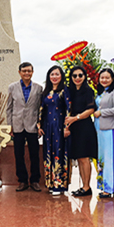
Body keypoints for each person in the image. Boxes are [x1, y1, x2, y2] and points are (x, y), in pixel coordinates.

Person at [7, 62, 43, 192]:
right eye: (24, 71)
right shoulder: (12, 87)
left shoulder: (39, 88)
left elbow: (41, 108)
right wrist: (10, 125)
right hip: (17, 126)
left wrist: (39, 123)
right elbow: (9, 107)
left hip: (32, 125)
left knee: (34, 154)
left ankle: (35, 181)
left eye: (29, 71)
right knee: (18, 154)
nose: (26, 73)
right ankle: (22, 181)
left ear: (32, 72)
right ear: (19, 72)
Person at [38, 65, 71, 196]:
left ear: (61, 76)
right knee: (48, 153)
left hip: (59, 127)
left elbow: (69, 109)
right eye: (52, 74)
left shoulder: (65, 91)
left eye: (57, 74)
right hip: (47, 127)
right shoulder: (46, 92)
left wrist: (67, 127)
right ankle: (50, 183)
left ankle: (59, 184)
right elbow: (41, 110)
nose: (54, 77)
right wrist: (39, 126)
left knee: (59, 152)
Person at [65, 66, 98, 197]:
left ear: (84, 76)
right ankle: (83, 186)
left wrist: (75, 118)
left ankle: (86, 186)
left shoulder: (88, 91)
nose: (77, 78)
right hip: (74, 128)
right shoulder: (70, 91)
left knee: (84, 158)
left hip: (84, 126)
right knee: (79, 157)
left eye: (80, 75)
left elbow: (91, 109)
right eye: (74, 76)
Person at [93, 68, 114, 199]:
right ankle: (103, 185)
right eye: (102, 77)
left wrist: (101, 112)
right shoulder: (101, 92)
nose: (104, 80)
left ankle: (110, 188)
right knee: (102, 159)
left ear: (112, 79)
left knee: (111, 159)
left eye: (107, 78)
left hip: (111, 129)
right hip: (100, 129)